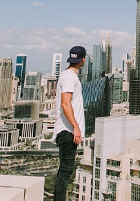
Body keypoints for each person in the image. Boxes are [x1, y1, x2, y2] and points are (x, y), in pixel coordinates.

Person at [52, 45, 86, 201]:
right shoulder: (70, 77)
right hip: (67, 131)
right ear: (83, 60)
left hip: (68, 130)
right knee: (65, 171)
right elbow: (66, 103)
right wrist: (76, 127)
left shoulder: (67, 75)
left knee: (65, 171)